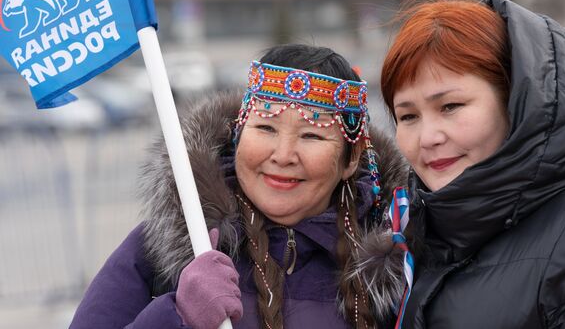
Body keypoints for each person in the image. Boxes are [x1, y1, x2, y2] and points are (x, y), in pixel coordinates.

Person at [70, 44, 408, 329]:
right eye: (265, 128)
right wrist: (179, 316)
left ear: (351, 160)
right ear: (238, 132)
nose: (283, 155)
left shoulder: (398, 264)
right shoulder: (169, 244)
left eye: (311, 135)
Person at [380, 0, 565, 328]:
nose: (428, 137)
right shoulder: (410, 230)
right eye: (407, 116)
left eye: (450, 107)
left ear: (515, 101)